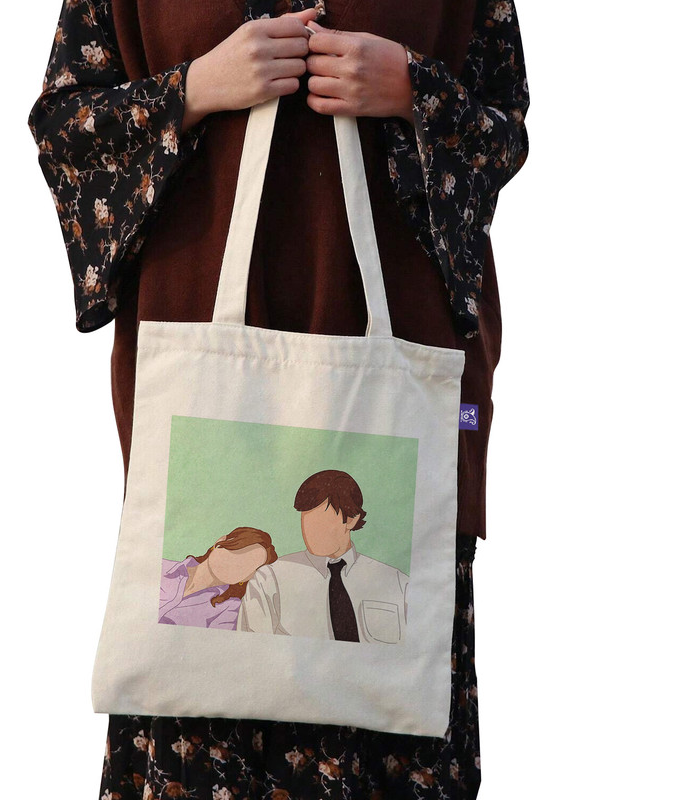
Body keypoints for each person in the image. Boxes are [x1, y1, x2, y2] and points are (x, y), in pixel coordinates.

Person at [27, 0, 530, 796]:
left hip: (400, 389)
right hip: (208, 400)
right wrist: (196, 87)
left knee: (394, 690)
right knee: (199, 676)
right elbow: (65, 127)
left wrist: (413, 91)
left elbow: (504, 126)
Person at [239, 470, 409, 643]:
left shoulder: (398, 583)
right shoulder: (269, 580)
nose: (309, 532)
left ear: (351, 519)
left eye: (320, 521)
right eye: (305, 520)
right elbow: (252, 648)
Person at [159, 526, 278, 630]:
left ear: (247, 578)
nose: (235, 565)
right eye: (237, 552)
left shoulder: (229, 609)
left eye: (247, 565)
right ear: (220, 541)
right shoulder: (162, 566)